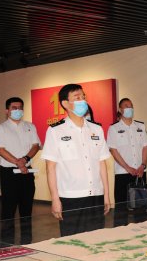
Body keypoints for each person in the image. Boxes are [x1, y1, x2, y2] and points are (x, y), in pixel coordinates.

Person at [42, 84, 111, 236]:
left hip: (96, 195)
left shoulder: (96, 129)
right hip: (71, 197)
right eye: (77, 97)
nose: (82, 101)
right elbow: (50, 168)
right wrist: (55, 199)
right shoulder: (55, 130)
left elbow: (102, 163)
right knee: (72, 241)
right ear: (65, 103)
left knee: (97, 239)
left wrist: (106, 194)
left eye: (83, 97)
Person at [0, 97, 41, 245]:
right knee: (8, 210)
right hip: (9, 173)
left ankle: (27, 242)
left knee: (27, 210)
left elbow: (36, 146)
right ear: (7, 110)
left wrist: (25, 160)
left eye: (20, 108)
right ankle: (7, 245)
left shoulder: (30, 126)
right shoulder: (1, 128)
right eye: (14, 108)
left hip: (27, 172)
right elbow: (1, 150)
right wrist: (18, 162)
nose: (17, 110)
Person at [106, 98, 147, 226]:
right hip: (122, 173)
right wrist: (127, 167)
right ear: (120, 110)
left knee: (141, 206)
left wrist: (143, 165)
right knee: (122, 208)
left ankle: (141, 230)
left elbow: (145, 147)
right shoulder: (114, 128)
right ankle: (121, 233)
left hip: (140, 172)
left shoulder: (140, 126)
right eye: (126, 106)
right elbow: (113, 150)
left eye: (131, 106)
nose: (129, 108)